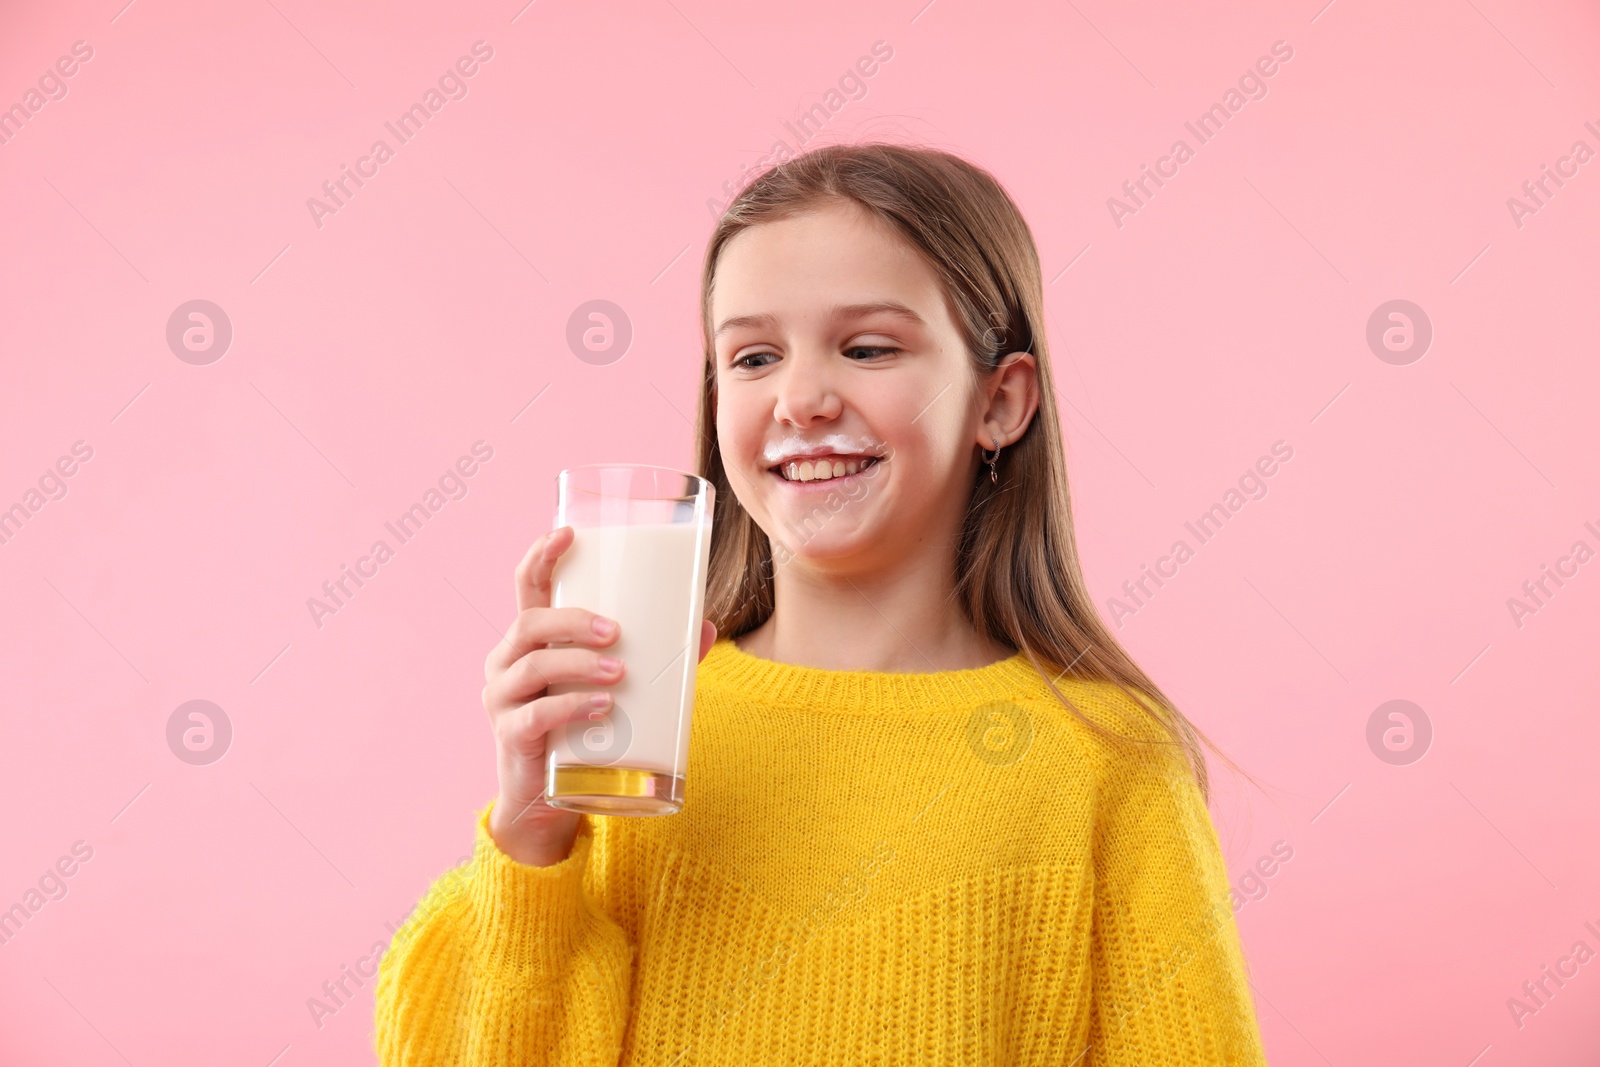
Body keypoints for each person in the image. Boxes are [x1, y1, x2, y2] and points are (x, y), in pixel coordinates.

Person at [373, 141, 1270, 1065]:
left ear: (1000, 402)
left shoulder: (1106, 762)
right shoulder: (627, 742)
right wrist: (531, 829)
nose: (800, 397)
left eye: (869, 347)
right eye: (753, 357)